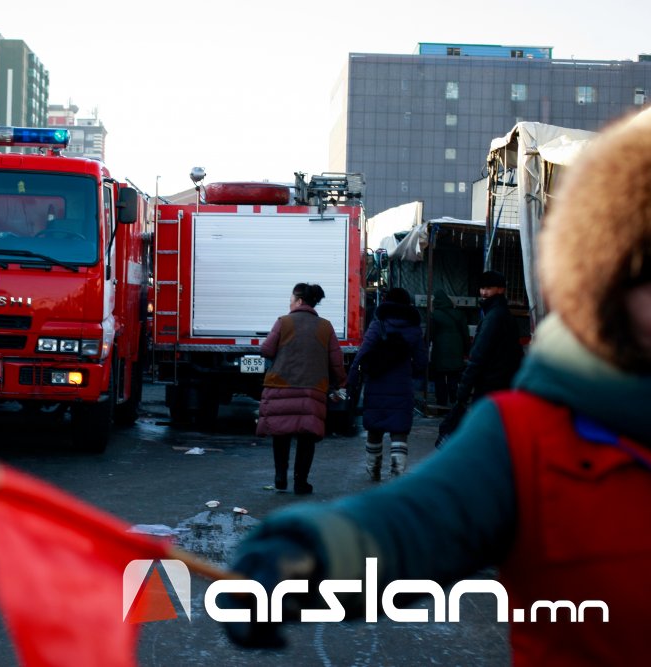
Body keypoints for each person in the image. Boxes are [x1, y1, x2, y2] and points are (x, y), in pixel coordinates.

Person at [224, 113, 651, 663]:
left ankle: (314, 473)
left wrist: (356, 379)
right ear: (607, 281)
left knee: (346, 438)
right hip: (387, 393)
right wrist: (311, 556)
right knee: (369, 439)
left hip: (362, 391)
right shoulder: (529, 441)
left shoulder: (351, 325)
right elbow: (414, 527)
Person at [256, 283, 347, 495]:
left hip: (280, 385)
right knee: (307, 436)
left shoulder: (283, 322)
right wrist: (341, 383)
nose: (289, 302)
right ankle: (301, 482)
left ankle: (280, 477)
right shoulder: (325, 326)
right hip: (312, 388)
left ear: (298, 301)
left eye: (291, 298)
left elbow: (266, 350)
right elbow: (336, 361)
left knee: (281, 433)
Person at [346, 287, 428, 480]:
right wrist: (410, 372)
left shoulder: (378, 324)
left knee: (375, 428)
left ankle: (373, 470)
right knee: (399, 429)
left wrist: (352, 378)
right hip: (402, 385)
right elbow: (422, 361)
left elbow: (363, 353)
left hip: (377, 384)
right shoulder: (414, 329)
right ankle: (397, 473)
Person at [455, 270, 523, 405]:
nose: (483, 292)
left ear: (500, 289)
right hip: (502, 383)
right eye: (482, 288)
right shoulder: (500, 313)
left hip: (491, 385)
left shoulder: (494, 316)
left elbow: (478, 355)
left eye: (488, 288)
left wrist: (464, 389)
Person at [429, 288, 470, 406]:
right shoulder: (459, 314)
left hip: (439, 352)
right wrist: (467, 350)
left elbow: (429, 335)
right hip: (456, 351)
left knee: (439, 378)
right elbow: (465, 334)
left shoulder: (434, 315)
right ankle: (454, 400)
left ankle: (441, 401)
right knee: (454, 376)